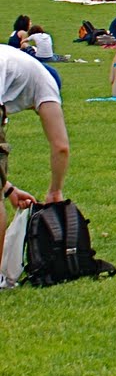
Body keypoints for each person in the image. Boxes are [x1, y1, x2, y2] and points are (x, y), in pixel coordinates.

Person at [0, 46, 71, 285]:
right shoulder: (46, 82)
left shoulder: (17, 68)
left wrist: (8, 189)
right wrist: (55, 191)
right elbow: (61, 146)